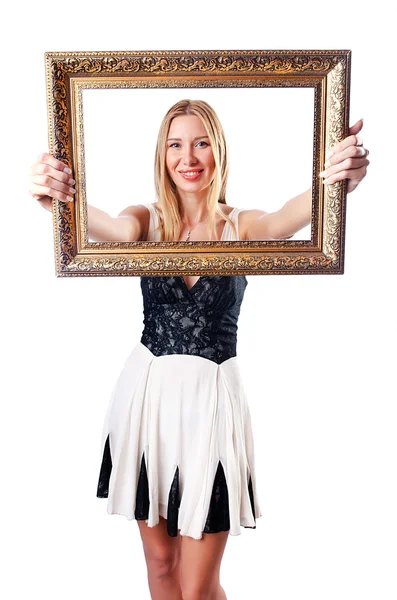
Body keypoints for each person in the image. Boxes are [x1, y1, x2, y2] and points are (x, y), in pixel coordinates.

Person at [29, 99, 369, 600]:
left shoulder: (241, 226)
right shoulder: (143, 221)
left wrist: (336, 181)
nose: (189, 157)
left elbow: (287, 219)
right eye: (176, 144)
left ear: (219, 150)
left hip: (210, 404)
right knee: (162, 567)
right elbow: (109, 230)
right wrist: (61, 203)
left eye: (201, 142)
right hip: (148, 401)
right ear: (162, 155)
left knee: (198, 586)